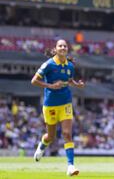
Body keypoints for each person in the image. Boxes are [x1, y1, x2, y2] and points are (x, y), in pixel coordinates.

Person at [31, 39, 85, 176]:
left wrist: (76, 84)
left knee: (67, 134)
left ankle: (70, 166)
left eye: (65, 46)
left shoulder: (70, 66)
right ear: (55, 49)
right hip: (50, 105)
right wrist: (50, 86)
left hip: (66, 102)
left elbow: (69, 80)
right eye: (60, 46)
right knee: (51, 136)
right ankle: (42, 145)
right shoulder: (48, 65)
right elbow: (34, 81)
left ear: (67, 49)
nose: (62, 48)